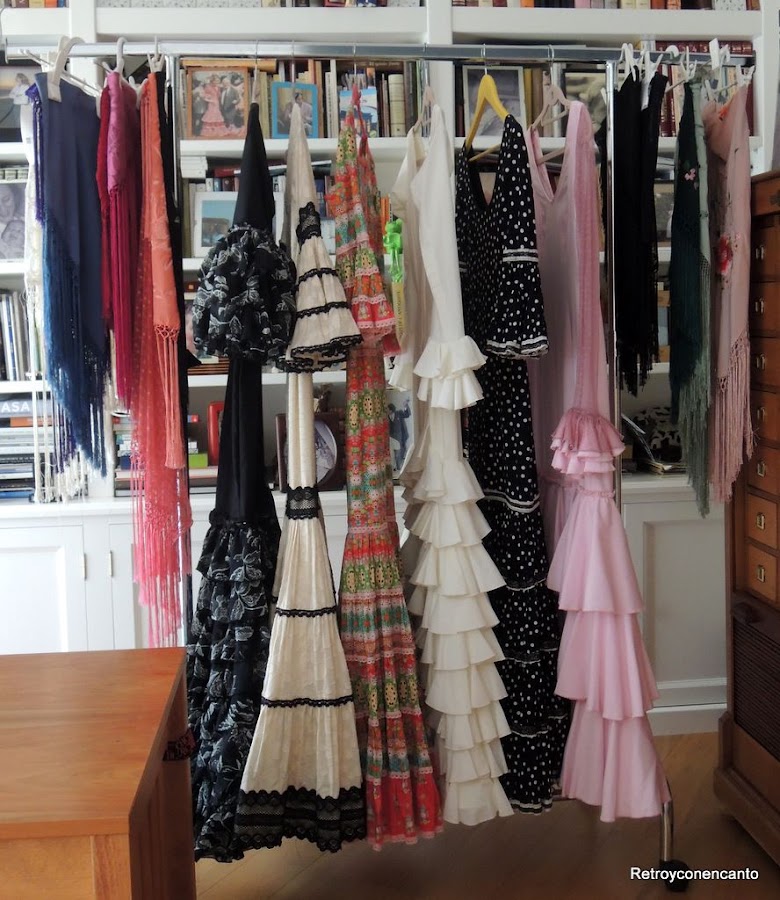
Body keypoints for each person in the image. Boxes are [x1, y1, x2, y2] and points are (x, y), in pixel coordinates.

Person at [387, 398, 411, 472]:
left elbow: (407, 414)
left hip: (399, 436)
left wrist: (405, 405)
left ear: (391, 410)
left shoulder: (399, 413)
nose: (386, 411)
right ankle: (394, 467)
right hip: (391, 437)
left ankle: (399, 467)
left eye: (387, 409)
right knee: (392, 453)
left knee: (398, 453)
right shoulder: (387, 417)